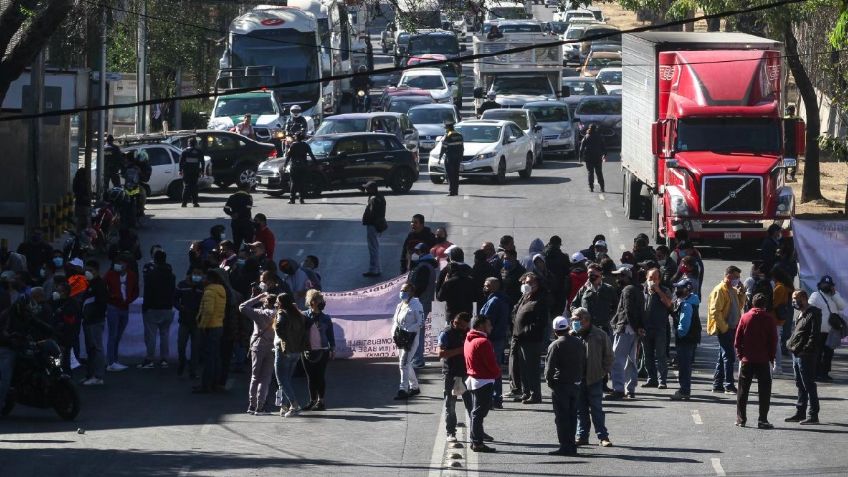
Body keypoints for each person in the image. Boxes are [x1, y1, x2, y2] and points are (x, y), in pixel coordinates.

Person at [571, 307, 614, 448]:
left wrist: (602, 373)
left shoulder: (600, 335)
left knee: (597, 409)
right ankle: (582, 436)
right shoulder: (571, 335)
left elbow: (609, 356)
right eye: (573, 320)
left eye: (576, 320)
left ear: (586, 320)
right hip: (577, 379)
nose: (574, 322)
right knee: (580, 410)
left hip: (594, 379)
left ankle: (603, 437)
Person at [734, 293, 777, 429]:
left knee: (743, 391)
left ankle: (741, 419)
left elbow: (738, 339)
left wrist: (740, 355)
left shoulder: (745, 317)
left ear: (752, 303)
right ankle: (762, 419)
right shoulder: (769, 319)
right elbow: (773, 341)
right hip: (763, 359)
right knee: (764, 391)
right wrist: (771, 358)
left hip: (747, 359)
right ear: (765, 305)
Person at [546, 315, 586, 456]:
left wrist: (550, 383)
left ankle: (565, 446)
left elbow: (549, 369)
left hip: (561, 385)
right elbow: (584, 362)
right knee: (572, 416)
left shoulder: (555, 345)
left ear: (555, 331)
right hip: (576, 384)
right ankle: (572, 445)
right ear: (568, 327)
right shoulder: (579, 343)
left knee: (562, 417)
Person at [707, 265, 745, 394]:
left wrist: (741, 293)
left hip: (732, 327)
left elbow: (739, 306)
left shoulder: (733, 290)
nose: (738, 280)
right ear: (728, 276)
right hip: (726, 328)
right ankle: (729, 385)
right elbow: (715, 311)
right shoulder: (720, 290)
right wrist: (724, 328)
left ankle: (717, 384)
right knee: (729, 357)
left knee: (722, 356)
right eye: (736, 277)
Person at [607, 267, 645, 399]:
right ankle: (630, 389)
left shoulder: (627, 290)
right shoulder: (638, 290)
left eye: (620, 276)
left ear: (627, 277)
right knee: (631, 361)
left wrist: (635, 326)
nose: (617, 279)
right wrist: (639, 327)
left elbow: (628, 310)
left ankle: (618, 389)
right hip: (633, 331)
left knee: (617, 360)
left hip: (625, 329)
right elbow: (641, 311)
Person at [785, 290, 822, 424]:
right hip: (796, 354)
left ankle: (813, 415)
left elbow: (814, 335)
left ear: (804, 298)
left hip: (806, 355)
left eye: (796, 298)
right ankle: (800, 412)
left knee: (809, 384)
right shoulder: (801, 313)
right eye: (793, 298)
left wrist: (805, 350)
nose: (794, 301)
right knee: (800, 384)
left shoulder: (813, 313)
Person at [464, 314, 500, 453]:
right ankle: (477, 442)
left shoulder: (469, 339)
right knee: (479, 413)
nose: (491, 327)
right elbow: (491, 363)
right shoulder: (483, 342)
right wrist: (496, 373)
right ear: (480, 325)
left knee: (476, 412)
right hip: (484, 380)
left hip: (474, 379)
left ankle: (475, 440)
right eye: (488, 324)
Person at [511, 272, 548, 404]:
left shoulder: (541, 300)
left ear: (537, 284)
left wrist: (525, 331)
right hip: (519, 338)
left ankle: (535, 394)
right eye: (526, 282)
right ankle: (526, 392)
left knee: (531, 368)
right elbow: (515, 311)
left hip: (531, 340)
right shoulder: (525, 296)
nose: (527, 285)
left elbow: (541, 322)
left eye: (531, 282)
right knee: (523, 368)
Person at [239, 292, 277, 415]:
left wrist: (257, 297)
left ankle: (252, 404)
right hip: (272, 346)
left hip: (257, 345)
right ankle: (260, 406)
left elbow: (242, 307)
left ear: (265, 303)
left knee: (255, 376)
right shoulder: (278, 314)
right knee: (265, 377)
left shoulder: (258, 313)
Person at [439, 311, 472, 443]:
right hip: (451, 373)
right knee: (450, 405)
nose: (464, 328)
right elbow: (441, 353)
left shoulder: (468, 331)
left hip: (466, 372)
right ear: (455, 322)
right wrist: (461, 349)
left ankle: (476, 430)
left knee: (471, 404)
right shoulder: (446, 333)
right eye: (462, 326)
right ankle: (451, 432)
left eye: (466, 326)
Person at [140, 250, 176, 369]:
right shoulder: (171, 275)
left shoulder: (151, 275)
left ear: (155, 260)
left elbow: (148, 293)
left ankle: (150, 359)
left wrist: (145, 307)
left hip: (153, 308)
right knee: (164, 334)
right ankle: (164, 359)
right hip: (167, 308)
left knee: (151, 335)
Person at [273, 292, 308, 416]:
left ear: (281, 303)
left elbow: (278, 327)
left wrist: (284, 340)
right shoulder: (298, 314)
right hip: (296, 351)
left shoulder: (282, 313)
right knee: (286, 379)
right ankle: (283, 406)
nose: (276, 304)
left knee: (281, 380)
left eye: (277, 301)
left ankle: (294, 405)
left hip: (284, 350)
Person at [808, 275, 845, 382]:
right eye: (824, 284)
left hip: (831, 331)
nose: (826, 286)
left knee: (829, 354)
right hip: (819, 330)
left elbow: (842, 306)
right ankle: (816, 373)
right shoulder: (815, 295)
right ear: (820, 285)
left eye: (829, 285)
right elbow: (809, 309)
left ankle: (825, 373)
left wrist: (835, 295)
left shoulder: (835, 295)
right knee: (818, 353)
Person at [195, 270, 227, 394]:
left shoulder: (209, 291)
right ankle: (215, 383)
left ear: (210, 279)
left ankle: (206, 385)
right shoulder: (221, 290)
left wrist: (202, 325)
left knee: (208, 357)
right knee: (216, 356)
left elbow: (208, 311)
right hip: (218, 325)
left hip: (210, 327)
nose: (203, 279)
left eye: (205, 277)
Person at [302, 289, 335, 410]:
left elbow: (330, 334)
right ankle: (312, 400)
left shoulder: (326, 318)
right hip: (307, 350)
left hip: (323, 350)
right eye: (320, 301)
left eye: (322, 300)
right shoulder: (304, 316)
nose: (322, 303)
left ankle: (321, 401)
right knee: (310, 377)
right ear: (312, 302)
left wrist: (333, 348)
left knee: (320, 375)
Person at [480, 277, 510, 407]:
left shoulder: (494, 301)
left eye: (487, 285)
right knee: (495, 367)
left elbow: (486, 321)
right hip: (498, 337)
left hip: (492, 338)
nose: (484, 288)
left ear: (494, 287)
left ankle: (493, 397)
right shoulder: (501, 299)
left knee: (491, 368)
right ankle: (496, 397)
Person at [104, 256, 138, 372]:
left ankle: (115, 360)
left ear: (126, 264)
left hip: (125, 307)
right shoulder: (110, 274)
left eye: (121, 262)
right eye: (117, 262)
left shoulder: (132, 275)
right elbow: (103, 288)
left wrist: (129, 300)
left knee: (118, 335)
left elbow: (136, 290)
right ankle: (110, 362)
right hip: (113, 306)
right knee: (113, 335)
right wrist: (111, 297)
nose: (119, 264)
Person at [670, 278, 701, 400]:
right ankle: (684, 389)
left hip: (686, 339)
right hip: (690, 339)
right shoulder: (689, 301)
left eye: (680, 288)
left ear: (687, 290)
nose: (677, 290)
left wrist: (679, 333)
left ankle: (684, 390)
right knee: (685, 365)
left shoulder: (687, 305)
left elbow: (684, 324)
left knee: (684, 366)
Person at [392, 282, 424, 400]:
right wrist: (395, 334)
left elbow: (420, 323)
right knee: (406, 363)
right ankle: (415, 387)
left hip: (411, 339)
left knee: (403, 363)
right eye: (402, 290)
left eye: (405, 290)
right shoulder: (400, 305)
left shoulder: (417, 305)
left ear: (411, 292)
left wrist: (408, 331)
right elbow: (395, 321)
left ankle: (403, 389)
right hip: (401, 339)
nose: (402, 292)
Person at [642, 268, 673, 388]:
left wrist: (658, 291)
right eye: (651, 278)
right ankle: (651, 378)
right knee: (647, 355)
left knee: (661, 355)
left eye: (655, 279)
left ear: (659, 280)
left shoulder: (665, 290)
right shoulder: (642, 290)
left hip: (660, 328)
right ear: (646, 278)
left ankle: (662, 380)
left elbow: (669, 304)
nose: (653, 281)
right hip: (646, 328)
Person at [409, 244, 437, 368]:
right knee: (417, 331)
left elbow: (420, 286)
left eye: (416, 251)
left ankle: (418, 359)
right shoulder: (426, 265)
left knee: (417, 332)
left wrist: (411, 297)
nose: (413, 254)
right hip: (422, 302)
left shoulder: (424, 267)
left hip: (420, 303)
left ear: (421, 252)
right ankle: (417, 358)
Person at [81, 260, 108, 386]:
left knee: (97, 348)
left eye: (90, 270)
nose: (87, 273)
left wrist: (91, 315)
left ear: (97, 271)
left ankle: (98, 376)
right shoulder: (90, 284)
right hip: (88, 321)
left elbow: (101, 304)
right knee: (91, 349)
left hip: (95, 321)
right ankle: (90, 374)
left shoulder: (100, 285)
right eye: (86, 270)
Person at [175, 267, 205, 379]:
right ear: (191, 274)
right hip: (184, 320)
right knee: (181, 345)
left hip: (197, 321)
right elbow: (175, 299)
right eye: (195, 274)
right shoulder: (182, 285)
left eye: (199, 274)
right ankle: (182, 362)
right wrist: (181, 308)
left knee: (196, 347)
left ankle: (193, 370)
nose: (197, 276)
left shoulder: (203, 287)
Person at [570, 263, 617, 333]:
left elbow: (616, 306)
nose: (590, 275)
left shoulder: (609, 289)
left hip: (604, 328)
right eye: (589, 273)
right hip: (587, 329)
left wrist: (609, 318)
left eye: (592, 273)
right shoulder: (584, 289)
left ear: (600, 274)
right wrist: (578, 315)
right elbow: (573, 305)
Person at [436, 247, 476, 323]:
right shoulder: (470, 270)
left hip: (452, 313)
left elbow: (439, 295)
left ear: (450, 257)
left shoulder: (446, 270)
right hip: (467, 313)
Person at [770, 265, 794, 374]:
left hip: (775, 318)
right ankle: (776, 366)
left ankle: (778, 366)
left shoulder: (779, 288)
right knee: (776, 342)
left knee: (775, 343)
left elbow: (774, 303)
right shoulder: (784, 287)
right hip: (778, 318)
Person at [361, 181, 387, 278]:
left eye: (367, 189)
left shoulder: (374, 199)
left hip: (373, 226)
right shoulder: (380, 197)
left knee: (373, 248)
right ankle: (377, 269)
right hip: (378, 225)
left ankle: (373, 270)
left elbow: (371, 214)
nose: (366, 190)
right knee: (375, 247)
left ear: (372, 189)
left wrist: (366, 220)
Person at [284, 131, 316, 204]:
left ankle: (292, 199)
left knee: (293, 182)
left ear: (296, 137)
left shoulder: (293, 145)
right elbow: (311, 155)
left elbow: (288, 156)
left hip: (294, 166)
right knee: (302, 182)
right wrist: (317, 164)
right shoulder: (306, 145)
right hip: (303, 166)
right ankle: (301, 198)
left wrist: (285, 165)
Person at [223, 184, 254, 251]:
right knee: (248, 244)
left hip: (235, 223)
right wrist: (239, 213)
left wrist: (232, 214)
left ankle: (235, 256)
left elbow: (226, 209)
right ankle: (247, 255)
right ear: (247, 188)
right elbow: (248, 208)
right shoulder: (248, 197)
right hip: (246, 223)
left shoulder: (232, 197)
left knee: (236, 243)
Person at [579, 124, 607, 192]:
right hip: (597, 157)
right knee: (599, 172)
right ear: (595, 129)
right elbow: (603, 146)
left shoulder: (586, 137)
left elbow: (581, 148)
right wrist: (604, 155)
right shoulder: (599, 137)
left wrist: (580, 157)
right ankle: (602, 187)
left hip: (588, 157)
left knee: (590, 172)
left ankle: (591, 188)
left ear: (589, 129)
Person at [439, 121, 464, 197]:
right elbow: (462, 148)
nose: (445, 130)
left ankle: (451, 191)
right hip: (458, 158)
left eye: (445, 128)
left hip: (450, 158)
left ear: (447, 128)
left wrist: (440, 157)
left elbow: (443, 148)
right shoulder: (459, 135)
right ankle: (456, 191)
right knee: (456, 174)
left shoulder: (448, 136)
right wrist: (461, 157)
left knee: (450, 175)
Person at [179, 137, 204, 208]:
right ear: (195, 143)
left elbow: (181, 162)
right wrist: (202, 171)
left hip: (186, 172)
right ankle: (195, 203)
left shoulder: (185, 151)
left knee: (186, 186)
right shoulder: (199, 151)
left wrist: (180, 170)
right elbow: (202, 162)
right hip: (195, 171)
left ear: (188, 143)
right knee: (194, 187)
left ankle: (184, 203)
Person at [783, 104, 799, 182]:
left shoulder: (784, 119)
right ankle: (792, 176)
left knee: (786, 158)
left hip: (786, 142)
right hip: (795, 142)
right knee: (794, 158)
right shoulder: (798, 119)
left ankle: (785, 176)